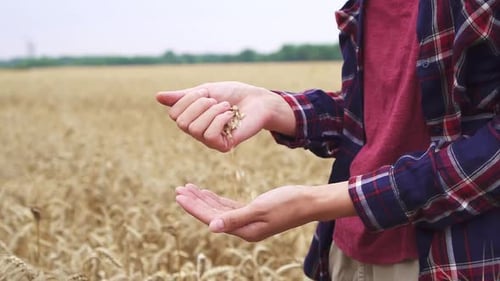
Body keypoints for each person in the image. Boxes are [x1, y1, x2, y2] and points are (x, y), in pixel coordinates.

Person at [156, 0, 500, 280]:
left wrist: (316, 202)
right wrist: (278, 108)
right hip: (344, 252)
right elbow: (378, 117)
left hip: (452, 259)